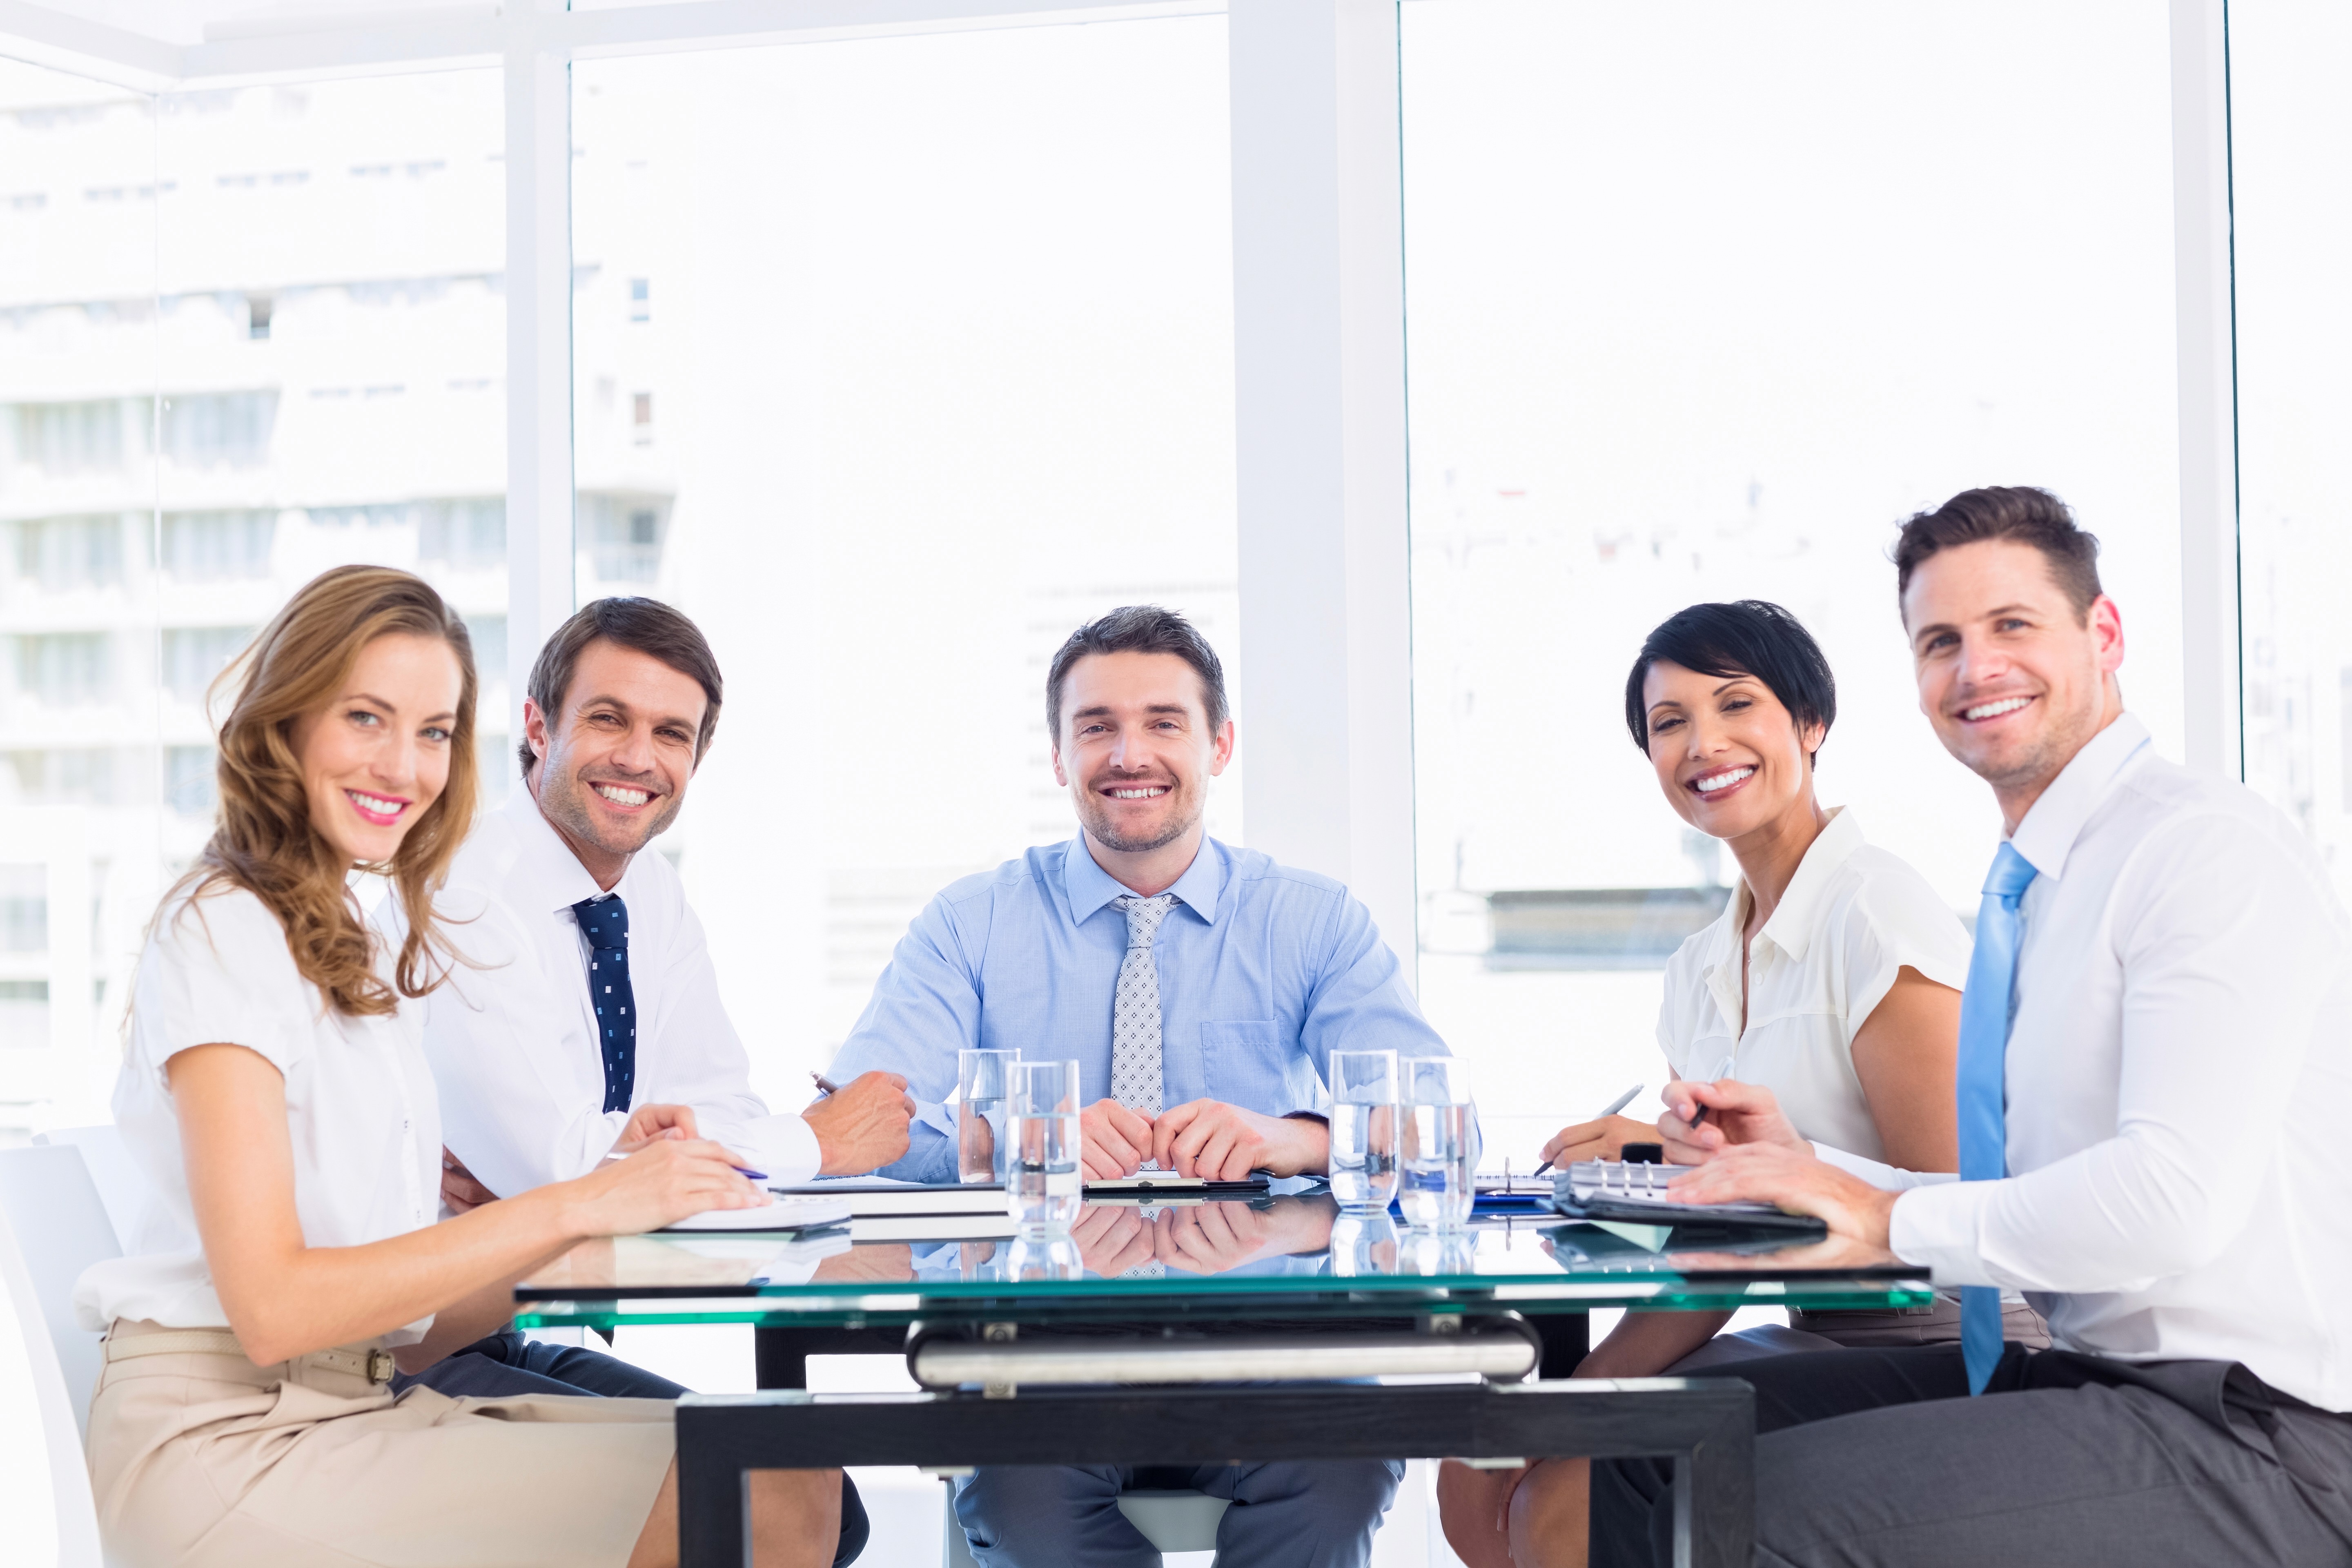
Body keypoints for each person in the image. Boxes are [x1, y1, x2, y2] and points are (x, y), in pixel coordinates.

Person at [1588, 487, 2352, 1565]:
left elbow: (2172, 1203)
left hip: (2257, 1433)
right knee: (1651, 1444)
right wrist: (1814, 1174)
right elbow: (2015, 1187)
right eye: (1940, 641)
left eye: (2012, 627)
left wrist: (1886, 1222)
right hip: (2098, 1378)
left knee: (1751, 1512)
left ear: (2106, 636)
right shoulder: (2037, 890)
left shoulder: (2201, 851)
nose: (1974, 668)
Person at [72, 566, 837, 1568]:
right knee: (763, 1494)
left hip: (353, 1397)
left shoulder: (346, 941)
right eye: (366, 718)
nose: (404, 766)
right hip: (228, 1443)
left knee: (788, 1468)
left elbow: (402, 1324)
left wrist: (589, 1223)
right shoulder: (223, 927)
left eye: (434, 731)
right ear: (286, 720)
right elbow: (274, 1310)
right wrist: (578, 1205)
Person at [826, 604, 1456, 1568]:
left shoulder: (1313, 920)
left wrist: (1298, 1139)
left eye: (1164, 723)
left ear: (1221, 745)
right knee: (1020, 1493)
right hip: (1031, 1355)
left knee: (1343, 1468)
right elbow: (860, 1124)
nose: (1130, 753)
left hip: (1272, 1350)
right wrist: (1023, 1139)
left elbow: (1444, 1124)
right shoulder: (971, 922)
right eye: (1097, 727)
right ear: (1058, 755)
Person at [1441, 599, 2049, 1568]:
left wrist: (1667, 1157)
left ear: (1811, 725)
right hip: (1824, 1340)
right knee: (1479, 1479)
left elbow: (1953, 1200)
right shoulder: (1700, 965)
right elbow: (1713, 1246)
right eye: (1669, 722)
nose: (1703, 742)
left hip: (1957, 1346)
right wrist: (1579, 1390)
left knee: (1565, 1498)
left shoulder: (1875, 911)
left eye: (1736, 706)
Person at [378, 597, 906, 1560]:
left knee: (824, 1491)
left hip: (498, 1327)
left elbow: (710, 1113)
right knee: (774, 1495)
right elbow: (565, 1178)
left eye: (673, 734)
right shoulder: (463, 892)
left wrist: (648, 1157)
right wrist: (814, 1141)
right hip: (404, 1350)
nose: (639, 758)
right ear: (539, 729)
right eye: (610, 718)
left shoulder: (648, 896)